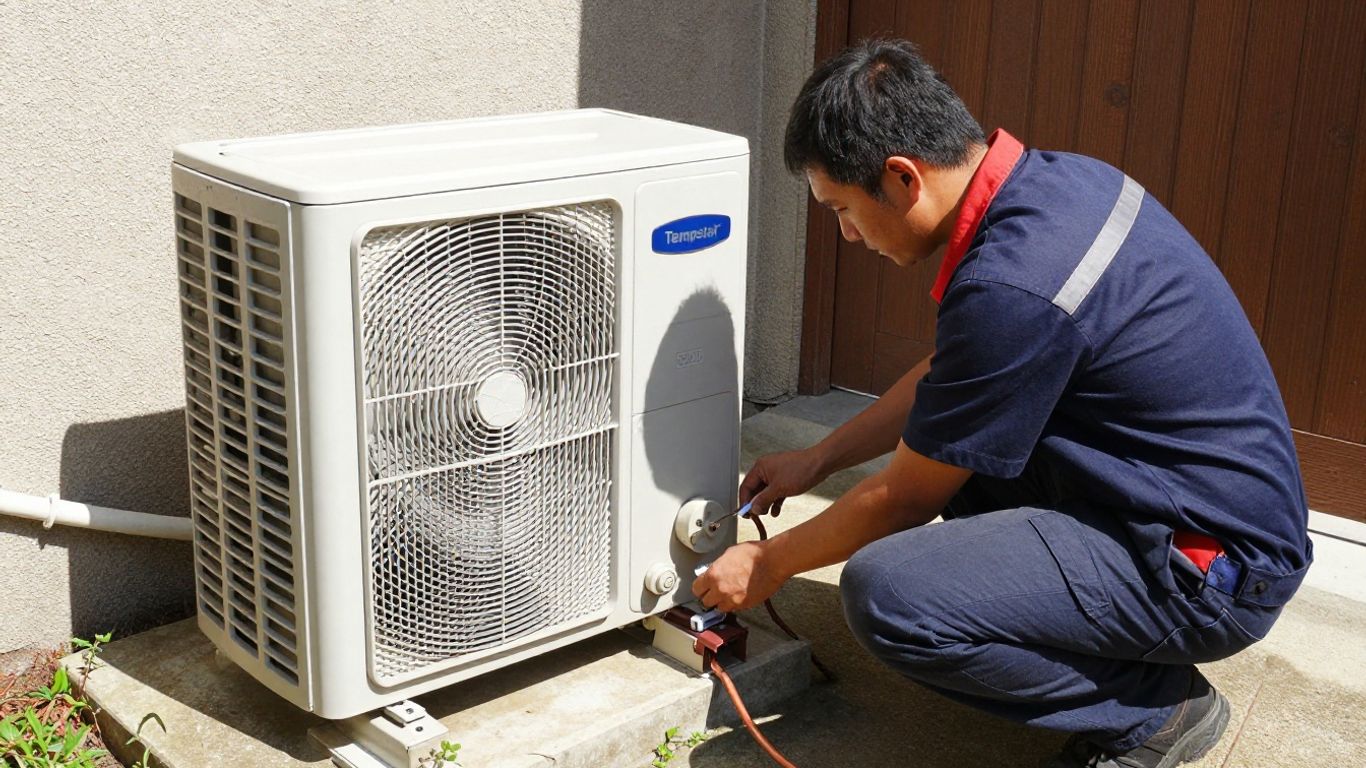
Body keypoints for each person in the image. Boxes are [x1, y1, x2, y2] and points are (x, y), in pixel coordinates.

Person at [691, 38, 1312, 768]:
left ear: (901, 177)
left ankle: (1153, 716)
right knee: (959, 452)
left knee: (890, 595)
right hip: (1198, 508)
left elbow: (900, 499)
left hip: (1210, 569)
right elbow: (955, 378)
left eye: (843, 209)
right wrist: (817, 457)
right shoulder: (1057, 186)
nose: (847, 235)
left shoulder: (1014, 283)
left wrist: (769, 565)